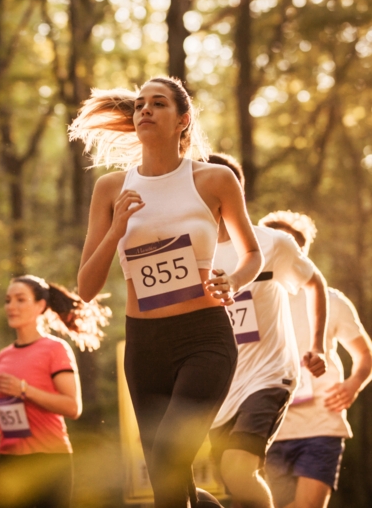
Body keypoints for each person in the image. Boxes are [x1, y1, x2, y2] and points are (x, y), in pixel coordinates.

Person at [69, 76, 264, 508]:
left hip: (204, 337)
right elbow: (86, 288)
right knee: (165, 485)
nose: (144, 111)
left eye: (158, 104)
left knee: (170, 459)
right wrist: (117, 228)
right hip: (144, 345)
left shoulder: (215, 180)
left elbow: (251, 254)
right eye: (139, 105)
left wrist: (233, 280)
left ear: (183, 120)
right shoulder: (111, 189)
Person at [205, 154, 328, 508]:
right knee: (233, 484)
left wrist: (317, 346)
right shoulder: (192, 249)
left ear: (234, 190)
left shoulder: (272, 243)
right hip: (220, 387)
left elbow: (314, 283)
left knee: (239, 471)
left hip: (269, 376)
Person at [260, 211, 372, 508]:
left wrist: (353, 384)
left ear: (300, 253)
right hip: (267, 427)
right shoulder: (250, 300)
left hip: (321, 426)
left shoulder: (332, 301)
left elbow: (365, 353)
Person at [0, 274, 110, 508]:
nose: (11, 306)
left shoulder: (55, 349)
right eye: (8, 300)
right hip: (9, 461)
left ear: (41, 306)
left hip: (49, 462)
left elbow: (72, 407)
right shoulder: (4, 355)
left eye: (20, 299)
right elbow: (19, 408)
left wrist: (24, 389)